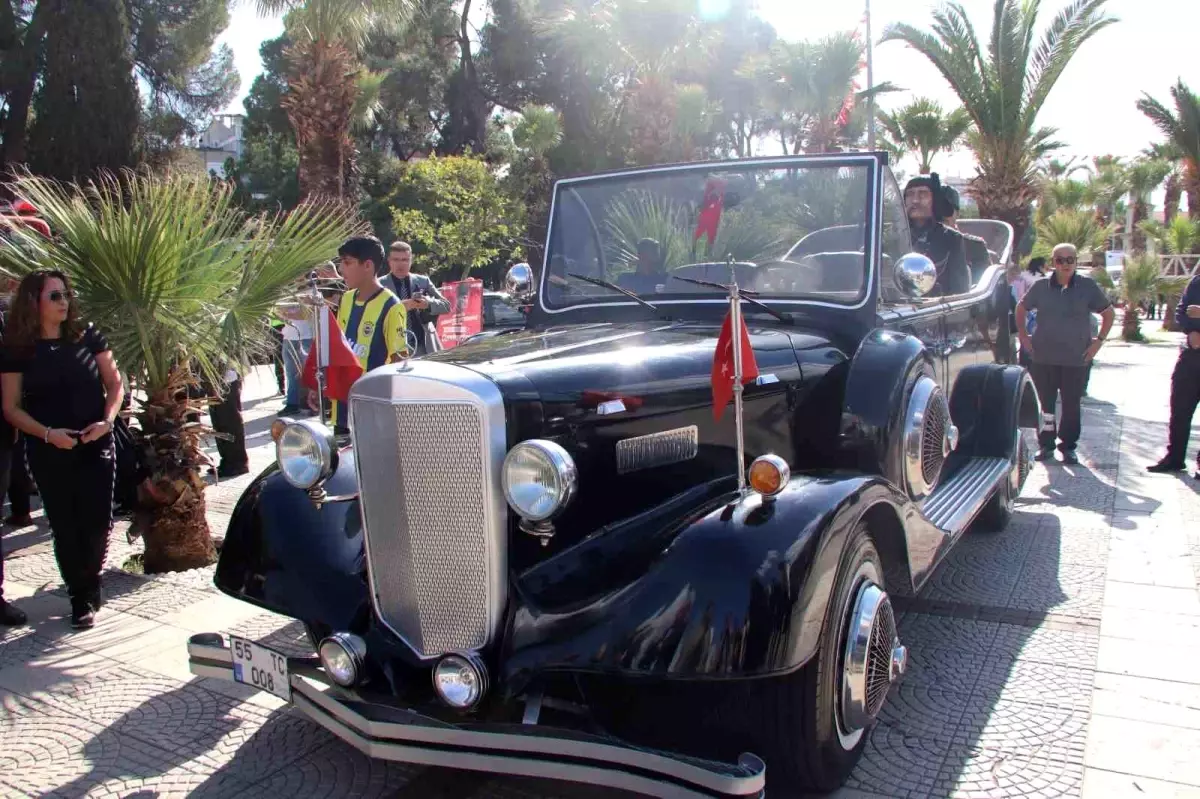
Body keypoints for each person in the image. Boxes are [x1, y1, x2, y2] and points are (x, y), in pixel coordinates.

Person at [0, 270, 125, 629]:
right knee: (65, 524)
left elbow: (115, 383)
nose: (64, 301)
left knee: (98, 522)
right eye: (55, 296)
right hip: (48, 448)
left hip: (95, 441)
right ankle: (79, 595)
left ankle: (91, 578)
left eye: (66, 294)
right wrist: (47, 433)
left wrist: (107, 421)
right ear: (34, 302)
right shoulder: (18, 348)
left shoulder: (87, 335)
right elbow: (11, 408)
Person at [1015, 243, 1115, 464]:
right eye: (1060, 260)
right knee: (1046, 404)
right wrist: (1024, 336)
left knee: (1071, 405)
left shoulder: (1087, 286)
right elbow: (1021, 308)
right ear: (1053, 263)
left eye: (1071, 259)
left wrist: (1098, 342)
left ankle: (1068, 446)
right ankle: (1046, 444)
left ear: (1076, 262)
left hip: (1076, 358)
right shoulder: (1040, 287)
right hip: (1043, 357)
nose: (1066, 264)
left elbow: (1109, 313)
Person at [324, 236, 410, 434]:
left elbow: (400, 360)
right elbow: (341, 347)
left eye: (347, 263)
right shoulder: (346, 299)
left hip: (371, 413)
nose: (341, 270)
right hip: (342, 407)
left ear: (368, 265)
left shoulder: (391, 306)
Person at [1147, 274, 1200, 478]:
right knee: (1180, 410)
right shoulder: (1197, 281)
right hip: (1190, 357)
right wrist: (1191, 331)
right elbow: (1182, 310)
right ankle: (1174, 457)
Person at [903, 173, 970, 296]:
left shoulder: (950, 238)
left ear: (935, 200)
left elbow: (959, 292)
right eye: (910, 194)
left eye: (923, 194)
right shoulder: (889, 237)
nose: (915, 201)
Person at [381, 241, 449, 356]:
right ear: (389, 261)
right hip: (392, 347)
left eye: (405, 260)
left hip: (423, 345)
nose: (400, 264)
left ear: (411, 260)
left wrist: (427, 303)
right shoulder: (380, 284)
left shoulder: (423, 281)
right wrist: (399, 307)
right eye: (396, 260)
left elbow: (446, 305)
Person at [941, 185, 991, 281]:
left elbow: (979, 287)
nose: (941, 215)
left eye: (947, 209)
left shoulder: (974, 246)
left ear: (957, 213)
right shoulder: (913, 244)